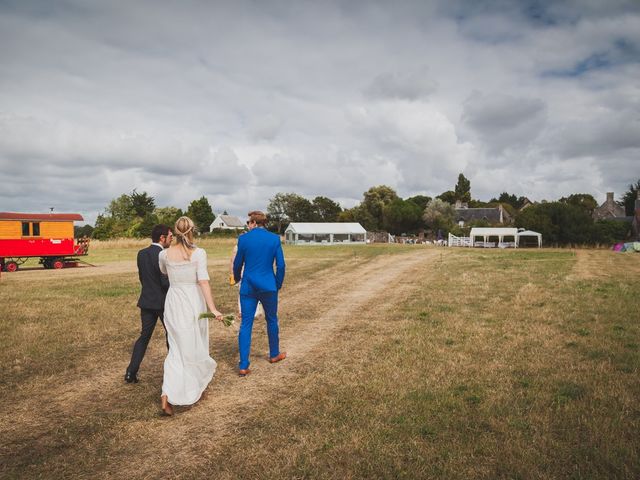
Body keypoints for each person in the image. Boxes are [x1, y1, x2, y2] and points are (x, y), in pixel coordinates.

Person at [159, 216, 223, 415]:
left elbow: (164, 273)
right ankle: (191, 388)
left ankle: (167, 393)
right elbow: (203, 281)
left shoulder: (164, 255)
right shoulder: (199, 253)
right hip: (192, 300)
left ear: (175, 232)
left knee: (176, 347)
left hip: (173, 300)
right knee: (194, 344)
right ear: (192, 230)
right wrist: (212, 309)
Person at [233, 210, 286, 376]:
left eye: (249, 222)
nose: (249, 225)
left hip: (248, 286)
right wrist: (277, 283)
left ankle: (243, 364)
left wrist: (236, 278)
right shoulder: (274, 238)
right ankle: (274, 354)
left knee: (246, 324)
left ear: (254, 222)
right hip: (268, 285)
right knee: (271, 319)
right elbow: (281, 265)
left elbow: (237, 263)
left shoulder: (243, 239)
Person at [125, 224, 173, 384]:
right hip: (162, 302)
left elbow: (142, 278)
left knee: (144, 337)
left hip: (146, 301)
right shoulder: (163, 255)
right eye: (170, 237)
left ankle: (131, 372)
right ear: (162, 238)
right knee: (171, 335)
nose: (171, 240)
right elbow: (164, 282)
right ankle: (173, 370)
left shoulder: (142, 253)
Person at [229, 238, 264, 319]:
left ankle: (255, 311)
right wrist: (232, 273)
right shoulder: (237, 248)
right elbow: (233, 261)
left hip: (252, 271)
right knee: (242, 292)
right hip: (242, 272)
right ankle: (242, 311)